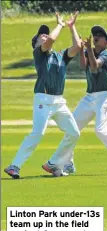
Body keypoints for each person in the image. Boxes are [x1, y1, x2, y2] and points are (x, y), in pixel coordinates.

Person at [4, 12, 81, 179]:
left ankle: (53, 164)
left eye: (46, 34)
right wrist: (59, 25)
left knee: (74, 133)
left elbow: (77, 47)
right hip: (43, 100)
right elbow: (51, 40)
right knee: (38, 133)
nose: (45, 36)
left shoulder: (60, 56)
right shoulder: (39, 53)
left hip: (59, 101)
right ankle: (14, 166)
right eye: (41, 36)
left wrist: (71, 26)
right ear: (37, 43)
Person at [61, 25, 107, 175]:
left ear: (106, 42)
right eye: (95, 34)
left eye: (100, 35)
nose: (96, 37)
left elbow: (94, 67)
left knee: (101, 130)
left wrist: (88, 50)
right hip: (89, 97)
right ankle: (68, 163)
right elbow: (83, 65)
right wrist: (82, 49)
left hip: (104, 96)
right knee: (71, 128)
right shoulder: (90, 51)